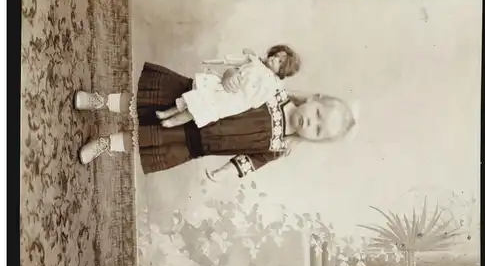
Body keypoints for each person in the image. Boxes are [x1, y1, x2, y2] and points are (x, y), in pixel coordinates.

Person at [74, 62, 357, 182]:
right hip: (200, 103)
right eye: (318, 114)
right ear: (314, 99)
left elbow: (249, 161)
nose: (311, 123)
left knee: (146, 139)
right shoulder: (273, 91)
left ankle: (105, 143)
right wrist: (231, 75)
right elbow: (244, 70)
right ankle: (100, 102)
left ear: (314, 140)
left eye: (318, 130)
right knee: (147, 104)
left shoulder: (278, 147)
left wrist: (225, 173)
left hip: (196, 141)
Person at [155, 44, 301, 129]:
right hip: (223, 87)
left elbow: (255, 102)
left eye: (280, 62)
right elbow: (230, 62)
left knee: (197, 110)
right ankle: (167, 113)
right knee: (192, 98)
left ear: (282, 71)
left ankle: (171, 122)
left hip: (231, 101)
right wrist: (211, 62)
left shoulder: (270, 84)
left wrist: (244, 87)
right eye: (276, 56)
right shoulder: (255, 61)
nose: (275, 59)